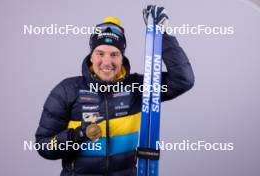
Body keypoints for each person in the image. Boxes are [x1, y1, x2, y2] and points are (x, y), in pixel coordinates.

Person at [35, 5, 195, 176]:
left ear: (122, 57)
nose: (106, 62)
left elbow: (182, 80)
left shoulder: (138, 88)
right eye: (100, 53)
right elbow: (44, 146)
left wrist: (162, 36)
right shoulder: (67, 91)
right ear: (91, 55)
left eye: (114, 54)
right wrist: (77, 135)